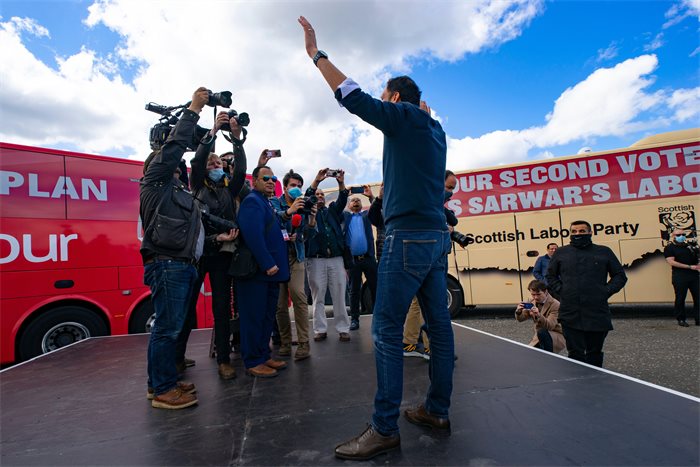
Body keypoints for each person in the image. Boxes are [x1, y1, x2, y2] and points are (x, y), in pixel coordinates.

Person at [300, 16, 454, 461]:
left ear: (396, 97)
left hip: (406, 237)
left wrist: (316, 55)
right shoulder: (435, 129)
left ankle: (383, 427)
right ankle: (437, 410)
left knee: (385, 329)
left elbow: (352, 97)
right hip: (435, 237)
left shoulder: (402, 115)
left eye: (388, 97)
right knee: (439, 328)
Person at [139, 87, 209, 409]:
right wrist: (193, 108)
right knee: (167, 328)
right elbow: (175, 146)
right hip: (167, 263)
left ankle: (162, 381)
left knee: (172, 326)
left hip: (180, 263)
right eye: (172, 163)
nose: (177, 167)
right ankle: (163, 389)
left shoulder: (176, 191)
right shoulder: (156, 179)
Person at [175, 111, 246, 381]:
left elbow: (240, 169)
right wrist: (212, 132)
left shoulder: (229, 189)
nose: (217, 165)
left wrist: (236, 140)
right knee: (188, 306)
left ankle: (224, 360)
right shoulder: (196, 187)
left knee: (221, 307)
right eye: (212, 162)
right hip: (198, 254)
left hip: (222, 255)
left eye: (219, 162)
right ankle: (177, 357)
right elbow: (197, 158)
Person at [546, 220, 627, 368]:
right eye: (574, 231)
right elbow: (550, 276)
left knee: (594, 352)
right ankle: (576, 383)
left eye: (582, 231)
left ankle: (596, 379)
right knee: (575, 352)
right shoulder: (562, 252)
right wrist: (563, 291)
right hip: (570, 311)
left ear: (590, 233)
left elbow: (620, 276)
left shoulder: (604, 251)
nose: (578, 234)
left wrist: (605, 292)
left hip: (597, 311)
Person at [235, 166, 290, 377]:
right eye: (265, 178)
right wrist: (267, 263)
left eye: (273, 178)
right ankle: (252, 360)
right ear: (255, 181)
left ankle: (263, 355)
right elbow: (253, 236)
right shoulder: (252, 201)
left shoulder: (266, 202)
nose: (270, 181)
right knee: (254, 317)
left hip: (270, 274)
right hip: (257, 273)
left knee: (267, 316)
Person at [271, 169, 317, 361]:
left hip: (296, 256)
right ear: (285, 186)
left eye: (299, 186)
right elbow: (272, 220)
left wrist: (312, 220)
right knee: (280, 304)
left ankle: (304, 343)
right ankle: (285, 341)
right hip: (277, 258)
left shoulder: (305, 205)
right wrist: (289, 212)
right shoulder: (274, 201)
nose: (296, 189)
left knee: (298, 296)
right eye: (292, 186)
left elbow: (309, 234)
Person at [303, 168, 352, 343]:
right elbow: (308, 195)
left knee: (339, 294)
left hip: (336, 259)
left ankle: (343, 329)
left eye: (323, 193)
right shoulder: (307, 211)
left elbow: (342, 198)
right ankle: (320, 329)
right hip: (316, 260)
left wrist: (340, 182)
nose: (320, 196)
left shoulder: (332, 211)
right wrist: (316, 180)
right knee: (318, 297)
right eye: (317, 194)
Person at [344, 187, 377, 331]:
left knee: (375, 288)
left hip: (368, 258)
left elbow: (376, 209)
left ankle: (378, 318)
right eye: (353, 200)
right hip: (353, 261)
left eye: (358, 200)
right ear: (349, 205)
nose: (356, 201)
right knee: (354, 290)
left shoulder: (366, 215)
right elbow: (338, 208)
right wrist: (346, 195)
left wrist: (371, 197)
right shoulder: (345, 217)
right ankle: (355, 320)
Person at [515, 280, 565, 353]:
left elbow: (550, 326)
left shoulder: (556, 304)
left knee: (542, 335)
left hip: (555, 335)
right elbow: (521, 319)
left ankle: (549, 357)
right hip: (539, 335)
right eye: (533, 294)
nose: (535, 297)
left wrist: (539, 315)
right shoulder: (531, 301)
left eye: (538, 294)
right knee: (530, 354)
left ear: (545, 292)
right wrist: (518, 312)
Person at [663, 229, 700, 326]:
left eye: (683, 234)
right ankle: (681, 319)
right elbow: (671, 262)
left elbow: (696, 258)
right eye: (679, 234)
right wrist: (689, 267)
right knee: (680, 298)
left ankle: (698, 319)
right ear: (673, 236)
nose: (682, 236)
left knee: (698, 298)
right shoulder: (669, 248)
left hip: (694, 276)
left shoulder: (690, 246)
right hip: (680, 276)